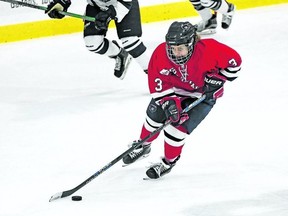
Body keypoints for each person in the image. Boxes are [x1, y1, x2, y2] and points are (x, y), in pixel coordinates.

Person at [122, 21, 242, 179]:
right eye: (173, 49)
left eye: (180, 49)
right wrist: (169, 102)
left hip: (201, 95)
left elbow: (235, 63)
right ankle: (143, 145)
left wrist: (219, 79)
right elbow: (157, 81)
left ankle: (168, 162)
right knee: (153, 119)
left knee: (175, 129)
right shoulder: (160, 53)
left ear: (191, 44)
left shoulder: (211, 49)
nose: (176, 53)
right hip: (173, 90)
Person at [45, 0, 150, 79]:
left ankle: (155, 72)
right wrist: (62, 3)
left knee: (129, 41)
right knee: (92, 43)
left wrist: (111, 13)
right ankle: (120, 54)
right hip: (96, 5)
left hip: (123, 4)